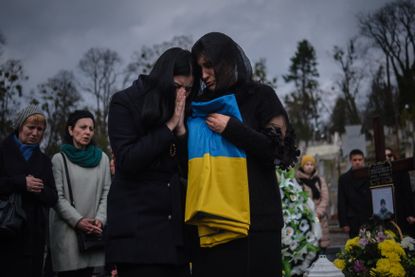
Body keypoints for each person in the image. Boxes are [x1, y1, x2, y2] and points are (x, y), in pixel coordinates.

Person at [187, 32, 298, 276]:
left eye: (209, 65)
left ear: (226, 62)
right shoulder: (198, 104)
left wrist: (232, 129)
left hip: (258, 222)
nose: (204, 75)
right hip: (213, 220)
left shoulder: (261, 96)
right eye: (199, 68)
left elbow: (280, 152)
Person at [106, 47, 193, 277]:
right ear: (164, 78)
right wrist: (170, 126)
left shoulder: (186, 109)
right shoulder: (125, 102)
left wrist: (182, 132)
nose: (181, 95)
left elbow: (189, 170)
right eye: (177, 87)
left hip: (176, 237)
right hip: (138, 238)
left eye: (188, 89)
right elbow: (127, 160)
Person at [49, 110, 111, 277]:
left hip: (93, 234)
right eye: (83, 127)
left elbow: (107, 192)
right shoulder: (59, 159)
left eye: (91, 128)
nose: (87, 132)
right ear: (71, 130)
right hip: (68, 235)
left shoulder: (102, 159)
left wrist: (100, 219)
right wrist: (79, 221)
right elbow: (57, 198)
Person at [0, 104, 58, 277]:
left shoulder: (44, 161)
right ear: (19, 126)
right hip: (4, 232)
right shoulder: (2, 152)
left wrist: (38, 189)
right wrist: (20, 182)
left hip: (33, 238)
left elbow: (53, 197)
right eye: (31, 127)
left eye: (40, 129)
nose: (35, 133)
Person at [296, 155, 330, 250]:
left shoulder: (319, 180)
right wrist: (308, 213)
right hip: (305, 217)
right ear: (302, 166)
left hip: (320, 217)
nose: (309, 166)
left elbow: (325, 198)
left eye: (311, 164)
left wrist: (318, 212)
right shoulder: (298, 181)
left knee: (321, 247)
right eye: (307, 164)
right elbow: (298, 198)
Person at [337, 149, 372, 238]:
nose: (357, 162)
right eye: (355, 160)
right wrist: (344, 223)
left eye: (360, 160)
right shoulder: (344, 179)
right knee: (355, 246)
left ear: (363, 160)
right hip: (353, 219)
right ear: (350, 161)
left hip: (369, 217)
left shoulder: (370, 176)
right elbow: (341, 201)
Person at [385, 147, 415, 236]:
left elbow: (407, 193)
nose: (387, 157)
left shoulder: (401, 172)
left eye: (389, 155)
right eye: (385, 156)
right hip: (387, 212)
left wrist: (410, 213)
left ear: (393, 156)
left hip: (402, 210)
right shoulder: (380, 174)